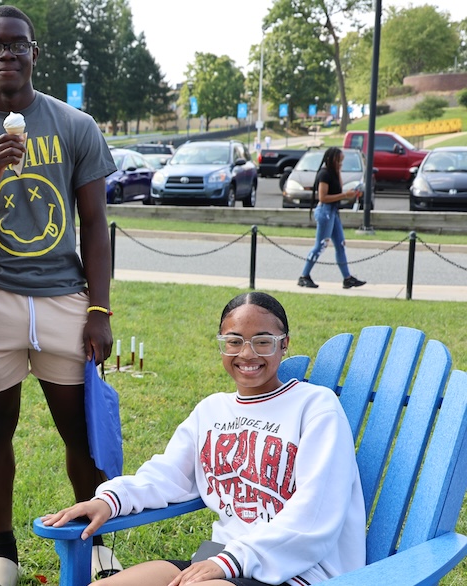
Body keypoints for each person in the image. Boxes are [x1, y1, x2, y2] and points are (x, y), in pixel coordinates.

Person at [0, 6, 116, 585]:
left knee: (79, 431)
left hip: (64, 297)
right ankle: (4, 553)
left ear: (36, 54)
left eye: (18, 45)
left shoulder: (74, 125)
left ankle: (97, 542)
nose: (6, 54)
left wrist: (99, 309)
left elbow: (94, 222)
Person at [42, 292, 366, 586]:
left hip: (297, 571)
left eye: (263, 341)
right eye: (234, 341)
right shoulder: (211, 410)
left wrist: (230, 560)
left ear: (285, 344)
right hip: (219, 561)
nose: (247, 353)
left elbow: (317, 509)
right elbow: (168, 475)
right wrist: (109, 500)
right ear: (221, 344)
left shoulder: (316, 407)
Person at [297, 147, 366, 289]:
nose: (341, 163)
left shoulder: (334, 173)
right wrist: (345, 195)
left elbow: (339, 189)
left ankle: (347, 278)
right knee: (320, 245)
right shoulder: (324, 174)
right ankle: (304, 276)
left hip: (333, 211)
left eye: (342, 161)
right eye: (339, 160)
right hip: (325, 211)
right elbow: (323, 197)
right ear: (331, 159)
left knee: (340, 245)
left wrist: (346, 188)